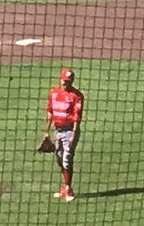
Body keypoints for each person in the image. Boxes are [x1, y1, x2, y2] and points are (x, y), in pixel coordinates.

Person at [45, 68, 85, 201]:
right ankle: (64, 187)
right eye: (64, 81)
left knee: (67, 159)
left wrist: (74, 134)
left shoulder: (77, 96)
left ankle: (68, 188)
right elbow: (50, 112)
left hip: (69, 131)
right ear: (60, 79)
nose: (66, 83)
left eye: (69, 81)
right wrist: (46, 132)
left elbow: (76, 117)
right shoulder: (54, 93)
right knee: (59, 157)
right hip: (58, 130)